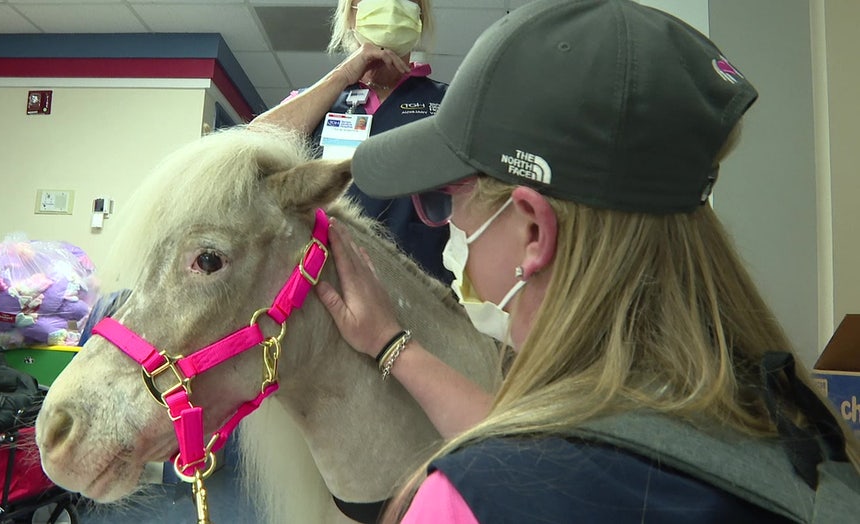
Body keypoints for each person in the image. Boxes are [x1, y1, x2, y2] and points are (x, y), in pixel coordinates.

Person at [315, 0, 860, 522]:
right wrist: (391, 344)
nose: (449, 225)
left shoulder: (471, 500)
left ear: (533, 231)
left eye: (445, 201)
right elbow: (548, 442)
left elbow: (532, 460)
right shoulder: (806, 438)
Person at [253, 0, 452, 284]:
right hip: (325, 282)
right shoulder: (320, 101)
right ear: (352, 13)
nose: (391, 5)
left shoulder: (446, 103)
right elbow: (250, 148)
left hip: (419, 287)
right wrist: (344, 75)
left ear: (420, 17)